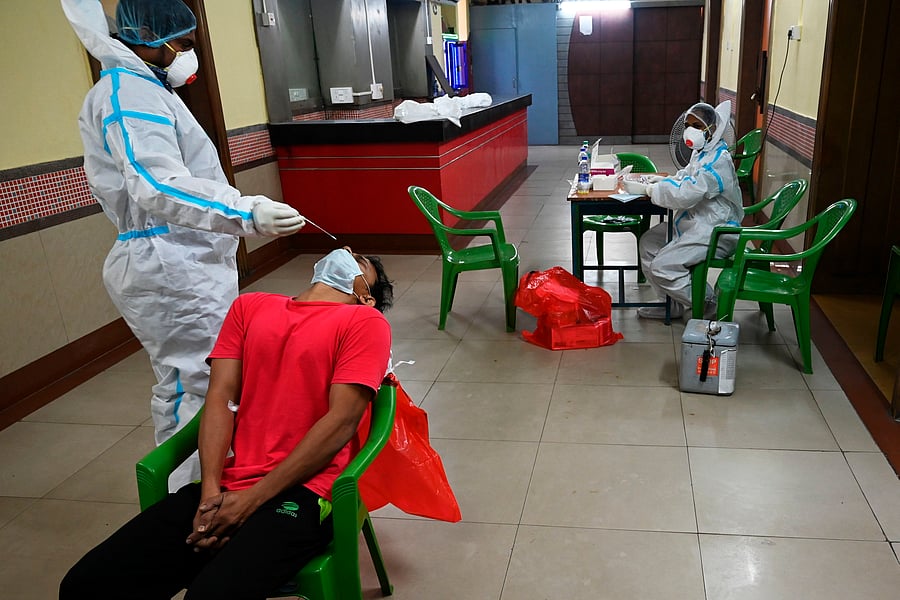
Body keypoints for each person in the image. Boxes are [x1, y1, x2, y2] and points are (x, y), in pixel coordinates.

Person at [61, 0, 307, 486]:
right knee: (193, 388)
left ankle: (215, 485)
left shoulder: (147, 89)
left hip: (186, 263)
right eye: (184, 44)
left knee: (212, 383)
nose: (187, 55)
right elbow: (155, 184)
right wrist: (246, 212)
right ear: (149, 33)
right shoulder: (126, 90)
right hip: (167, 264)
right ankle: (185, 502)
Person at [60, 247, 394, 600]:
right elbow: (219, 399)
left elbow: (341, 423)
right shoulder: (250, 306)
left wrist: (251, 501)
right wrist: (210, 493)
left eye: (360, 260)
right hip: (231, 484)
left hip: (307, 492)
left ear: (365, 295)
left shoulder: (365, 322)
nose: (345, 251)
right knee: (85, 584)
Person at [625, 100, 743, 319]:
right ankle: (673, 302)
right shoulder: (703, 151)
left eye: (697, 126)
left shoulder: (719, 161)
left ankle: (707, 304)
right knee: (649, 242)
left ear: (713, 129)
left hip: (716, 231)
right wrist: (663, 179)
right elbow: (687, 176)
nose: (690, 130)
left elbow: (686, 194)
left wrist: (652, 190)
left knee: (663, 266)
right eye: (688, 124)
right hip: (695, 223)